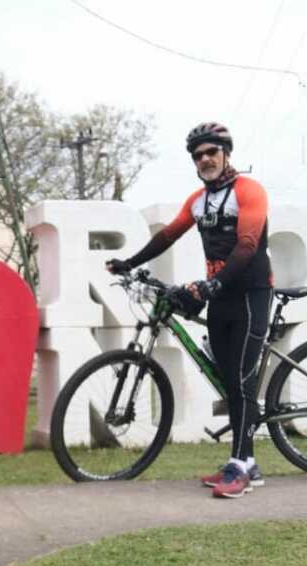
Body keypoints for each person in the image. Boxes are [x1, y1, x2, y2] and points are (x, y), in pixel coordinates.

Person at [106, 122, 272, 499]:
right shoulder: (199, 200)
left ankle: (240, 467)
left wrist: (214, 283)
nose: (205, 159)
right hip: (221, 296)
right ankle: (247, 462)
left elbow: (247, 245)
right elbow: (167, 236)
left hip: (250, 293)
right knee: (230, 381)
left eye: (211, 151)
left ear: (226, 153)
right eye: (198, 155)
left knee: (243, 382)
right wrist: (129, 263)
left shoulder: (249, 190)